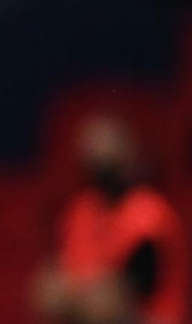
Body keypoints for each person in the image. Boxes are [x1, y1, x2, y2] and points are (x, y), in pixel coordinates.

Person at [32, 111, 188, 324]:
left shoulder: (149, 213)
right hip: (84, 309)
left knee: (102, 305)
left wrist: (84, 294)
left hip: (143, 318)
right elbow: (61, 275)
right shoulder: (81, 209)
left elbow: (128, 295)